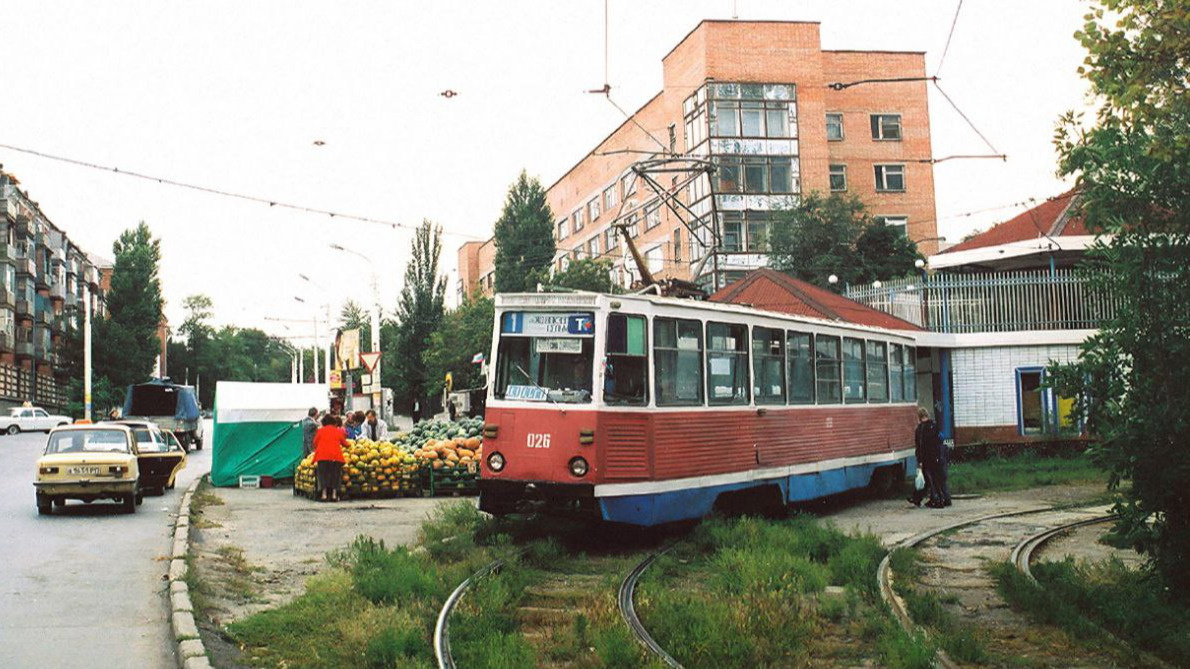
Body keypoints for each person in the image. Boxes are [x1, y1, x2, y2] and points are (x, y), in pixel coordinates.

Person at [909, 407, 945, 508]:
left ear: (919, 417)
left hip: (925, 458)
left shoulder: (920, 429)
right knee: (933, 478)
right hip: (935, 456)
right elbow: (939, 441)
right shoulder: (934, 426)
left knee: (928, 479)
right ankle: (934, 498)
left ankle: (935, 499)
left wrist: (920, 460)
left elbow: (919, 446)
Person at [311, 414, 348, 502]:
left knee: (323, 475)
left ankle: (324, 495)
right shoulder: (337, 431)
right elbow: (345, 443)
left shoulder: (320, 431)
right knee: (335, 475)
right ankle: (334, 495)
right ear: (333, 422)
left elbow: (315, 443)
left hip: (322, 456)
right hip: (335, 456)